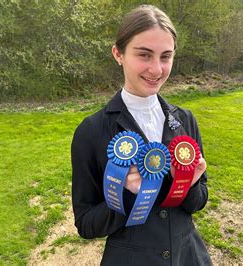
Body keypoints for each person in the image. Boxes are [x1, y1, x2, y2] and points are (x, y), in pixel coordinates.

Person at [71, 5, 211, 265]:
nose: (157, 69)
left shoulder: (185, 120)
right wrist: (125, 194)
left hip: (187, 256)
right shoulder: (92, 131)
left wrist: (191, 185)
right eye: (144, 55)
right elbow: (86, 224)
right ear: (118, 54)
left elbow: (200, 200)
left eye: (166, 57)